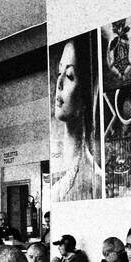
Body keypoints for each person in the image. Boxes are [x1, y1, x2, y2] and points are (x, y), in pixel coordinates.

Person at [49, 34, 103, 201]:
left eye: (70, 76)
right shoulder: (59, 165)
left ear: (86, 95)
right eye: (59, 72)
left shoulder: (93, 177)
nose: (59, 82)